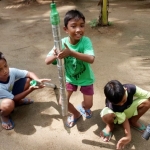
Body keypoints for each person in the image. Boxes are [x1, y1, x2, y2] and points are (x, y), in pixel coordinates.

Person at [45, 10, 95, 128]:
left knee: (88, 105)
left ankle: (83, 107)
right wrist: (56, 55)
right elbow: (47, 61)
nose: (78, 29)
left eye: (82, 26)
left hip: (86, 78)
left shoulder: (86, 41)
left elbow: (91, 59)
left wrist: (71, 53)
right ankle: (76, 114)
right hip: (70, 79)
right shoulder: (61, 43)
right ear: (65, 29)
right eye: (73, 26)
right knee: (63, 102)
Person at [0, 52, 51, 130]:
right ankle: (4, 115)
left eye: (5, 66)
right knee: (8, 104)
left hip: (10, 95)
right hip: (3, 101)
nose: (5, 71)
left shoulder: (11, 71)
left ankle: (19, 102)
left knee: (28, 80)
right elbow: (14, 99)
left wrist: (37, 80)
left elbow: (29, 74)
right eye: (0, 69)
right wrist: (31, 89)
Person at [100, 80, 150, 149]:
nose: (121, 104)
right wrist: (128, 136)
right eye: (118, 104)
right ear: (111, 101)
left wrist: (127, 136)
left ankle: (133, 121)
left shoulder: (131, 88)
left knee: (147, 102)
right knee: (106, 115)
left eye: (123, 100)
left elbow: (148, 95)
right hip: (116, 115)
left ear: (125, 89)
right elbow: (124, 119)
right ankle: (110, 126)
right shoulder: (112, 106)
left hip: (127, 110)